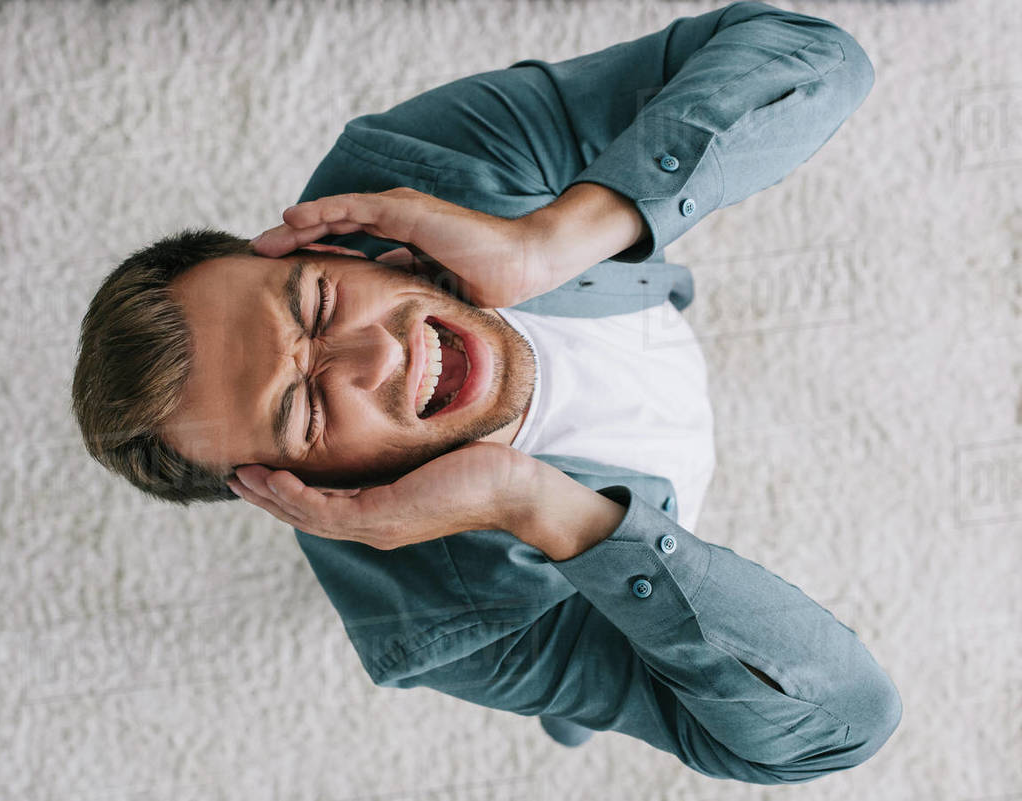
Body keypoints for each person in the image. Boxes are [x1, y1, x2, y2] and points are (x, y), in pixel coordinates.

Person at [71, 0, 900, 784]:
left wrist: (547, 241)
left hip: (648, 318)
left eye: (319, 303)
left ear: (323, 248)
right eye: (308, 409)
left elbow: (818, 56)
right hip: (623, 551)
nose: (376, 353)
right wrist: (535, 506)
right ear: (302, 489)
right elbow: (842, 725)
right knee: (604, 692)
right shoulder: (440, 629)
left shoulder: (413, 170)